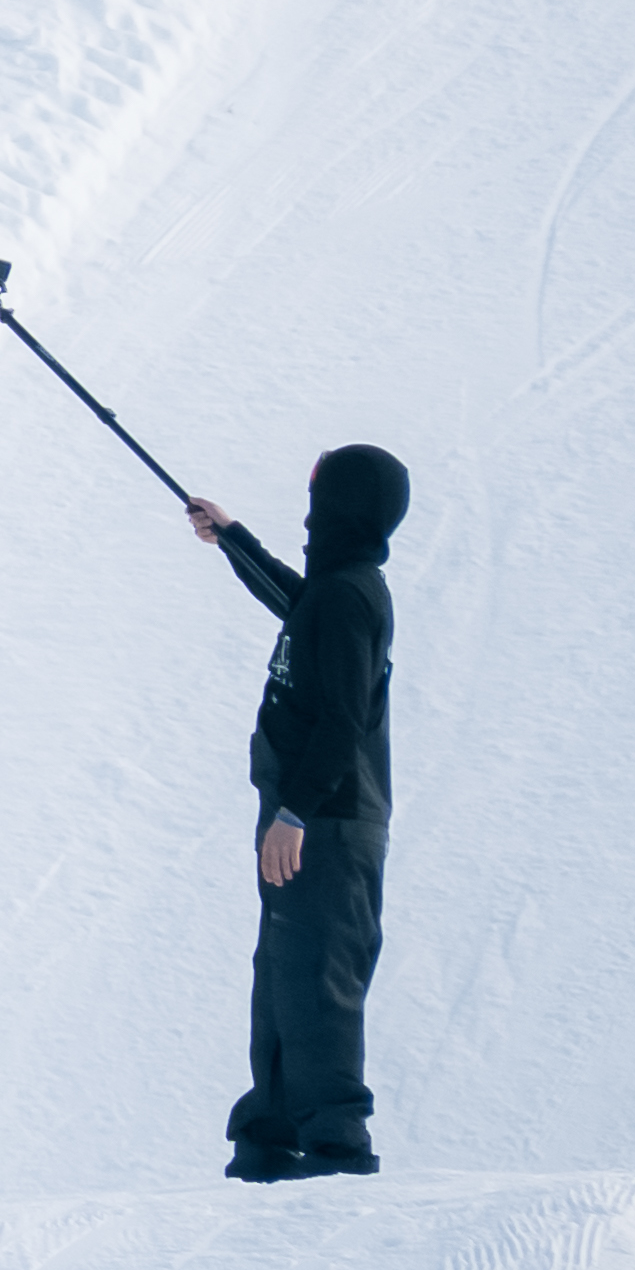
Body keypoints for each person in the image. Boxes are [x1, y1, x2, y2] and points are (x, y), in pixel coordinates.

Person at [183, 445, 409, 1182]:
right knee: (281, 973)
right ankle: (271, 1135)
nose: (308, 512)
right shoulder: (334, 591)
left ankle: (337, 1149)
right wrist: (235, 541)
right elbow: (296, 602)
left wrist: (297, 816)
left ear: (337, 507)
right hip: (305, 818)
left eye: (316, 496)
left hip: (328, 823)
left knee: (320, 979)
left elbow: (343, 720)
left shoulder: (349, 595)